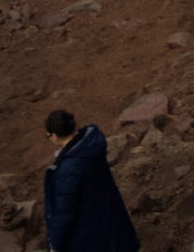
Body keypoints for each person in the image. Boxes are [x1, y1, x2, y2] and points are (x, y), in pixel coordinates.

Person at [40, 107, 140, 252]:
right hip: (112, 221)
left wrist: (54, 244)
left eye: (48, 135)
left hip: (89, 236)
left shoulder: (68, 170)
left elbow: (63, 214)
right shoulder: (91, 146)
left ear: (55, 136)